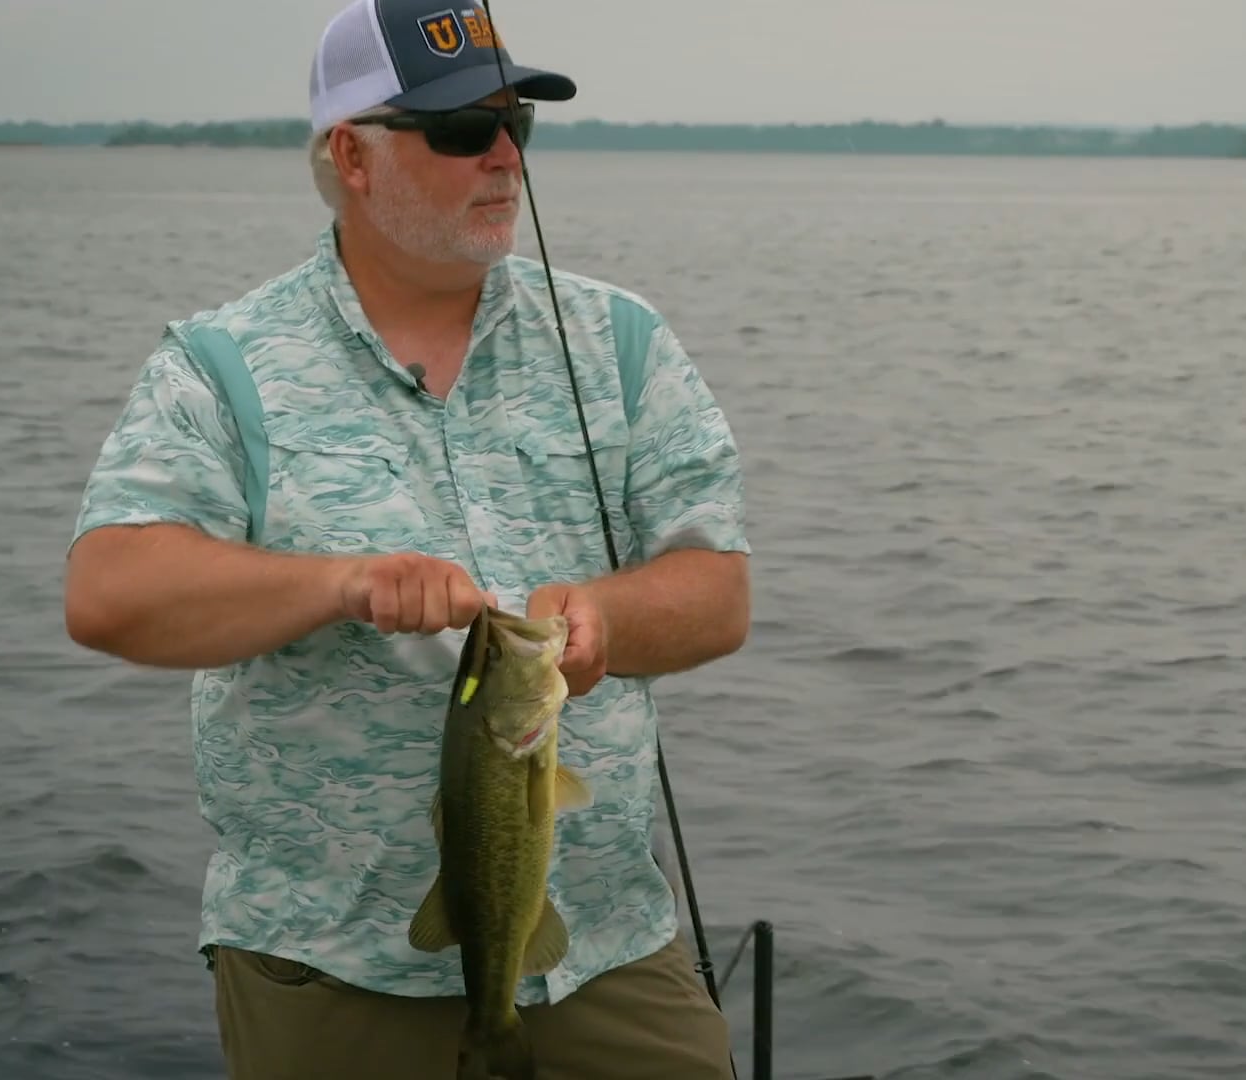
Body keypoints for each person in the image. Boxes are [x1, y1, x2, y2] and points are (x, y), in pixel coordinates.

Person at [60, 1, 751, 1076]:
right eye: (464, 129)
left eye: (517, 121)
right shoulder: (218, 364)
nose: (506, 156)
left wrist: (607, 618)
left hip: (611, 953)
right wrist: (341, 584)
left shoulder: (619, 340)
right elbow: (109, 594)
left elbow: (718, 592)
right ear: (352, 156)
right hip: (330, 970)